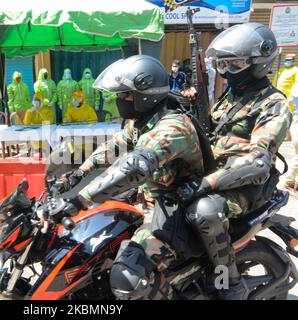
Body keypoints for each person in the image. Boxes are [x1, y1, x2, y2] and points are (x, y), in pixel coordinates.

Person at [54, 55, 205, 300]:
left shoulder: (172, 128)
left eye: (124, 94)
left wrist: (79, 201)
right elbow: (114, 147)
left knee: (128, 276)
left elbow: (132, 168)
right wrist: (78, 173)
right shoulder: (141, 123)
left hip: (176, 209)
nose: (118, 100)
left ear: (145, 95)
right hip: (148, 201)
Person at [179, 23, 292, 299]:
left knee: (204, 212)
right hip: (218, 173)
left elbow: (258, 163)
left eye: (235, 63)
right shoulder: (233, 95)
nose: (228, 72)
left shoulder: (273, 104)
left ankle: (229, 283)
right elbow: (215, 130)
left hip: (248, 185)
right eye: (223, 65)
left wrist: (205, 184)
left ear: (259, 63)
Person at [284, 81, 298, 193]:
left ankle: (291, 182)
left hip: (295, 126)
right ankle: (290, 182)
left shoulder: (296, 86)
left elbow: (291, 103)